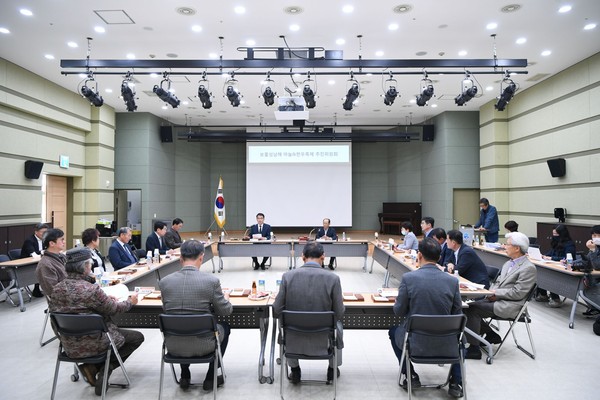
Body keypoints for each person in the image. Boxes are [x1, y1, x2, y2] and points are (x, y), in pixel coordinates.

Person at [49, 247, 144, 396]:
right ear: (85, 267)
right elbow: (113, 309)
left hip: (69, 345)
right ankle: (105, 368)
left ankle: (92, 368)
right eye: (90, 264)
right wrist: (130, 302)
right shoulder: (91, 290)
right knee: (137, 337)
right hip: (96, 343)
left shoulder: (56, 289)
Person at [388, 237, 464, 398]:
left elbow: (399, 312)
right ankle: (456, 382)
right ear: (439, 257)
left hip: (416, 342)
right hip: (447, 343)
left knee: (393, 331)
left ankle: (410, 375)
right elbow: (458, 313)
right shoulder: (452, 281)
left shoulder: (409, 278)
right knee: (461, 339)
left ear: (419, 255)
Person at [159, 240, 232, 391]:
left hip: (173, 345)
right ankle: (210, 377)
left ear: (180, 258)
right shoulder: (211, 281)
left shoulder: (164, 282)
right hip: (204, 345)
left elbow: (166, 309)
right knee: (224, 327)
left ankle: (184, 375)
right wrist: (226, 299)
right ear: (201, 257)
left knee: (180, 322)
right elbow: (225, 311)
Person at [273, 241, 344, 384]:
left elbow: (276, 310)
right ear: (323, 256)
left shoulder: (287, 276)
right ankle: (332, 369)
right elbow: (339, 312)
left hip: (294, 335)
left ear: (302, 256)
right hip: (323, 334)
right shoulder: (333, 279)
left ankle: (295, 370)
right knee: (339, 327)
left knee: (285, 327)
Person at [463, 231, 537, 360]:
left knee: (472, 310)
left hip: (512, 305)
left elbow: (518, 293)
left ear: (517, 248)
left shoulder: (528, 268)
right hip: (499, 299)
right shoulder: (508, 263)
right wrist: (489, 294)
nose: (504, 246)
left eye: (507, 244)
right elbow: (497, 284)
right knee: (467, 306)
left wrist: (496, 294)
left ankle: (474, 349)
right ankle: (490, 334)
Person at [536, 224, 576, 307]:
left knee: (551, 276)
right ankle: (543, 294)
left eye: (556, 234)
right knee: (540, 272)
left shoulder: (569, 244)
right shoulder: (556, 242)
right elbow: (551, 252)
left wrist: (551, 258)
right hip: (553, 265)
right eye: (553, 234)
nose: (554, 236)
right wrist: (544, 256)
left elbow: (566, 258)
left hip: (564, 268)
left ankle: (555, 298)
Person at [35, 228, 67, 297]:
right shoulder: (45, 265)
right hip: (63, 302)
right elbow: (53, 291)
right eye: (62, 239)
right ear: (52, 243)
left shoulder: (62, 256)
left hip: (72, 293)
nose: (64, 242)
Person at [20, 222, 48, 297]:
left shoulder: (44, 239)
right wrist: (43, 252)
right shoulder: (29, 240)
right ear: (36, 232)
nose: (45, 234)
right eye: (43, 232)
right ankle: (36, 289)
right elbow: (33, 254)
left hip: (38, 262)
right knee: (41, 269)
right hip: (26, 265)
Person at [582, 225, 600, 316]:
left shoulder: (594, 248)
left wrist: (592, 250)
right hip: (595, 277)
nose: (595, 238)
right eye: (593, 236)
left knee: (589, 292)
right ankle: (595, 308)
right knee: (581, 288)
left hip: (598, 279)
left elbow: (597, 266)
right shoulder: (596, 247)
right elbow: (587, 260)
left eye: (598, 235)